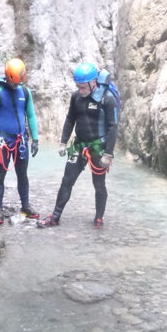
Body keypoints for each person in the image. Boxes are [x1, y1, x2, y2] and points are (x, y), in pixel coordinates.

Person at [37, 61, 119, 229]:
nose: (80, 91)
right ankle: (55, 216)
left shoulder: (107, 100)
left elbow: (113, 126)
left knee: (98, 184)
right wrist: (63, 141)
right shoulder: (76, 97)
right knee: (67, 180)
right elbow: (70, 119)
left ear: (94, 82)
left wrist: (108, 154)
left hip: (98, 148)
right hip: (79, 146)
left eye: (83, 87)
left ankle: (98, 218)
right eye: (78, 86)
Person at [0, 57, 40, 225]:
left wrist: (35, 139)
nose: (16, 85)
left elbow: (30, 115)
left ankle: (25, 205)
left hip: (20, 141)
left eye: (19, 82)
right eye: (14, 82)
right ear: (7, 77)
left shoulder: (25, 92)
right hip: (2, 141)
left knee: (22, 175)